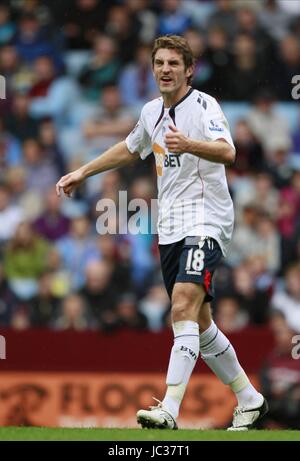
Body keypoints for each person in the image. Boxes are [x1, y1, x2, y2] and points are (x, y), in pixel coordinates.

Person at [56, 35, 268, 431]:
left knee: (182, 306)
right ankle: (249, 398)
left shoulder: (204, 106)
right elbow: (129, 147)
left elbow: (229, 151)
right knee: (200, 323)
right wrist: (83, 172)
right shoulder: (151, 111)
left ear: (189, 70)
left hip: (206, 220)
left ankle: (169, 408)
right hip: (169, 227)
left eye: (173, 63)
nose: (165, 70)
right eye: (159, 63)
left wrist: (189, 143)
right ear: (152, 69)